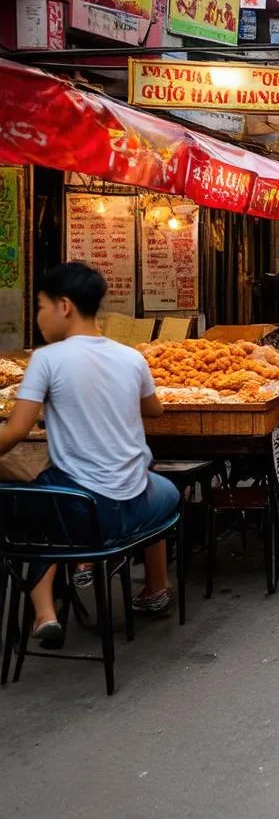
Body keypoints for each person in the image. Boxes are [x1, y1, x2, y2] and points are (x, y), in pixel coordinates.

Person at [0, 263, 180, 647]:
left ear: (64, 306)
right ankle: (155, 588)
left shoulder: (47, 359)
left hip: (84, 514)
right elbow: (155, 410)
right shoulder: (131, 358)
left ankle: (44, 612)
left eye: (41, 306)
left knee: (36, 499)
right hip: (137, 506)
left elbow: (15, 431)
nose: (39, 317)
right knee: (166, 488)